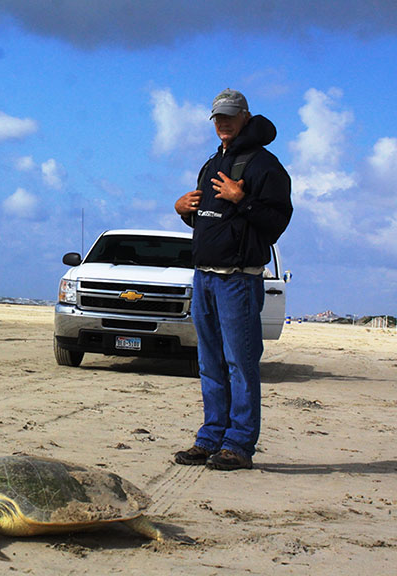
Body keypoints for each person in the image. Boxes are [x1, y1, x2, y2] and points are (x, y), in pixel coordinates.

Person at [174, 89, 293, 470]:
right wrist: (182, 211)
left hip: (239, 280)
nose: (222, 123)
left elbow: (276, 224)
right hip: (205, 278)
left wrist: (243, 199)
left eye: (229, 115)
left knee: (240, 364)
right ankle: (211, 438)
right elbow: (210, 221)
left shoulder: (266, 166)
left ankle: (239, 445)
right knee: (209, 363)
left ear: (245, 116)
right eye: (217, 117)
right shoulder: (212, 163)